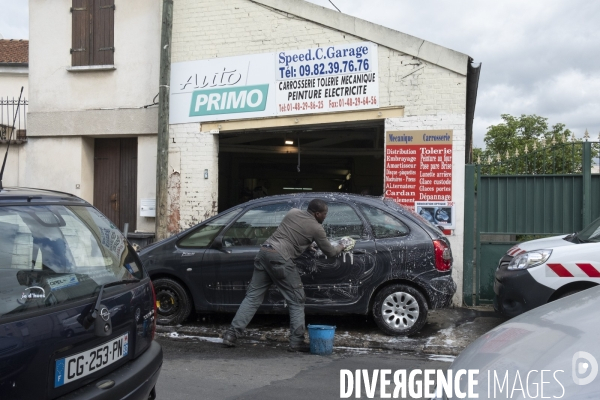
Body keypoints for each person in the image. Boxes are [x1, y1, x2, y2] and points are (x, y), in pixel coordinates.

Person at [222, 199, 349, 352]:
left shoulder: (293, 212)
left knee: (253, 297)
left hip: (265, 252)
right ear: (317, 214)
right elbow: (330, 252)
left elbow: (290, 231)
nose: (325, 217)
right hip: (280, 258)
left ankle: (231, 335)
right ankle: (296, 342)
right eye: (324, 214)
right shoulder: (317, 228)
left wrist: (306, 243)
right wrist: (342, 245)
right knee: (296, 300)